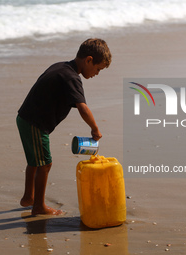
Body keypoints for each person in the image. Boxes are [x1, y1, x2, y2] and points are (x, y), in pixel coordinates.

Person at [16, 38, 111, 215]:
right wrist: (95, 129)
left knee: (35, 161)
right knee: (45, 164)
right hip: (35, 124)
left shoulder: (61, 67)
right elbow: (83, 108)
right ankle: (38, 207)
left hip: (25, 118)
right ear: (88, 60)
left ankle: (28, 197)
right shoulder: (72, 78)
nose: (97, 73)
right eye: (98, 69)